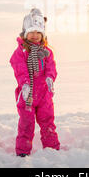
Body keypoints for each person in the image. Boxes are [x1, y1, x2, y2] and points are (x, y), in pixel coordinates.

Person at [9, 8, 60, 157]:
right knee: (26, 124)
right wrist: (24, 83)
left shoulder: (47, 52)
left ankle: (52, 149)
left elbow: (51, 67)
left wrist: (50, 78)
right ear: (25, 33)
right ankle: (23, 152)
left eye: (38, 32)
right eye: (31, 32)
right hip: (27, 95)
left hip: (44, 95)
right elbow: (19, 68)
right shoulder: (20, 51)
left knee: (48, 122)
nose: (35, 35)